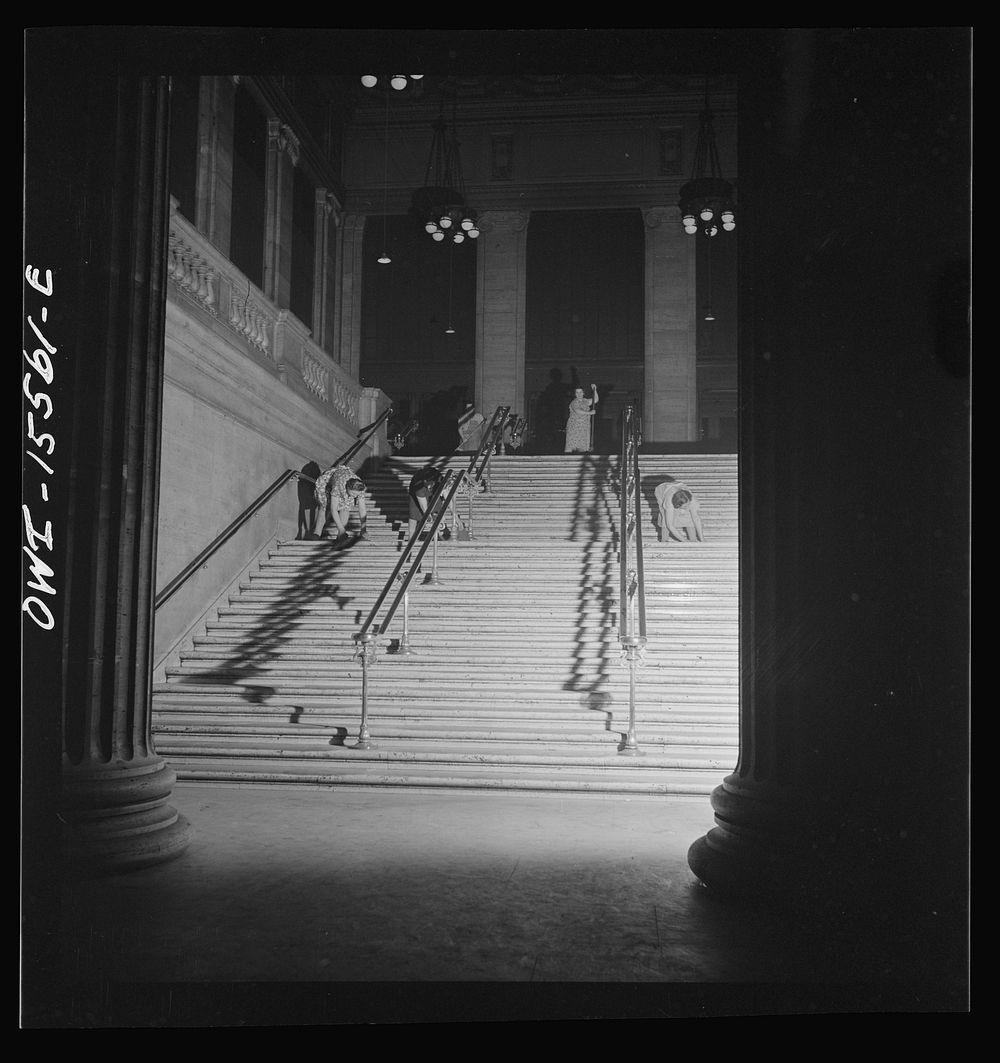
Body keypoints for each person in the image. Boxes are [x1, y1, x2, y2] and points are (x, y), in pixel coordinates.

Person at [314, 464, 368, 545]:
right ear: (348, 488)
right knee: (324, 506)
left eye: (356, 495)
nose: (355, 496)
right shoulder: (338, 486)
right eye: (353, 493)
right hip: (327, 482)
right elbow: (333, 509)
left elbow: (362, 509)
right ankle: (316, 534)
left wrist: (364, 529)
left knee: (346, 508)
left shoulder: (360, 488)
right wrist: (340, 528)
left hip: (344, 481)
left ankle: (340, 536)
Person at [407, 465, 446, 544]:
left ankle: (438, 534)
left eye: (430, 485)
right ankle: (411, 538)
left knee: (436, 509)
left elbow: (447, 498)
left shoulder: (440, 481)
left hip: (435, 487)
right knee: (415, 512)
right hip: (417, 491)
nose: (428, 487)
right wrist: (429, 518)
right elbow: (425, 509)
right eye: (427, 485)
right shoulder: (418, 486)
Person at [564, 384, 598, 453]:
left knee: (582, 447)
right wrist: (590, 413)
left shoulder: (585, 401)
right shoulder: (574, 402)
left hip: (584, 426)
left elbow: (596, 400)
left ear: (583, 393)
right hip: (575, 426)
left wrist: (595, 390)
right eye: (577, 392)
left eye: (580, 392)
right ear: (575, 394)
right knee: (571, 446)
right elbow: (577, 411)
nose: (579, 394)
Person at [296, 460, 322, 539]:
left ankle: (302, 531)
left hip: (304, 491)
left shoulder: (306, 469)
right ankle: (310, 530)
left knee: (302, 508)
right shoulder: (315, 470)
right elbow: (318, 481)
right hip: (311, 491)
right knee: (312, 509)